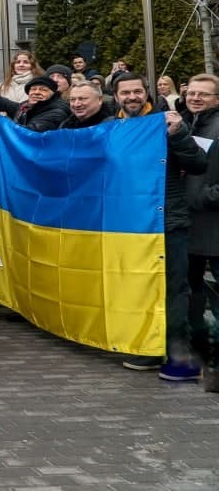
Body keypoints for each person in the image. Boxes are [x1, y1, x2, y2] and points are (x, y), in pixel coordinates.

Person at [112, 74, 207, 379]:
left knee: (173, 289)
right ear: (116, 97)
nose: (132, 97)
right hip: (127, 225)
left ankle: (179, 357)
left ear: (147, 93)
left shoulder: (167, 124)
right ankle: (148, 349)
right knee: (139, 287)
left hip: (167, 222)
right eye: (125, 92)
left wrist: (178, 134)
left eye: (137, 91)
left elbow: (198, 164)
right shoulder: (111, 129)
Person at [183, 74, 219, 373]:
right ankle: (199, 352)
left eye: (203, 94)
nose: (195, 98)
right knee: (191, 292)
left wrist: (205, 196)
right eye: (192, 93)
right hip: (190, 226)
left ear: (217, 99)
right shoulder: (186, 124)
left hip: (214, 223)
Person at [0, 74, 69, 132]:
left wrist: (4, 121)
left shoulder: (57, 111)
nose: (37, 92)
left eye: (43, 90)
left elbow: (28, 133)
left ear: (53, 93)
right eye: (33, 89)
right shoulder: (24, 107)